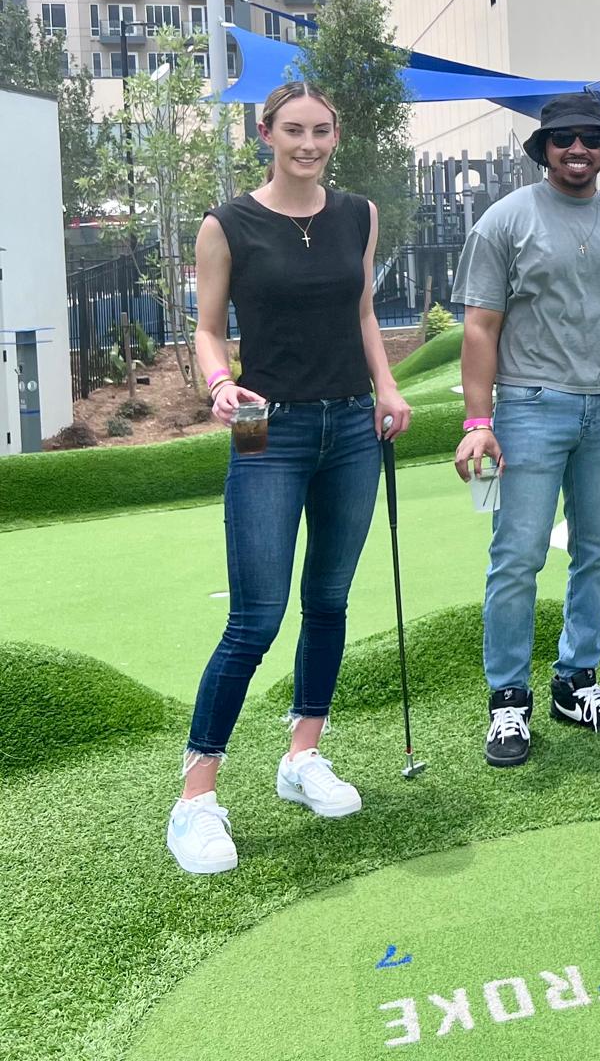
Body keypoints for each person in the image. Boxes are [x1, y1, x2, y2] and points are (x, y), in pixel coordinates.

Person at [166, 81, 412, 876]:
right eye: (293, 131)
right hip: (260, 423)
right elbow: (207, 328)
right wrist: (216, 383)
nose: (308, 144)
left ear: (335, 136)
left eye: (322, 132)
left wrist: (388, 388)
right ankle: (195, 798)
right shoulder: (226, 223)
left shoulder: (358, 215)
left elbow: (364, 312)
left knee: (329, 600)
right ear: (266, 133)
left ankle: (302, 755)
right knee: (255, 618)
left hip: (350, 424)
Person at [451, 92, 600, 767]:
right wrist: (478, 421)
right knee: (517, 557)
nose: (577, 150)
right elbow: (480, 327)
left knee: (599, 551)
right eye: (562, 140)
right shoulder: (504, 221)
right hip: (526, 408)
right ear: (542, 150)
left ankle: (575, 682)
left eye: (590, 139)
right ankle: (507, 700)